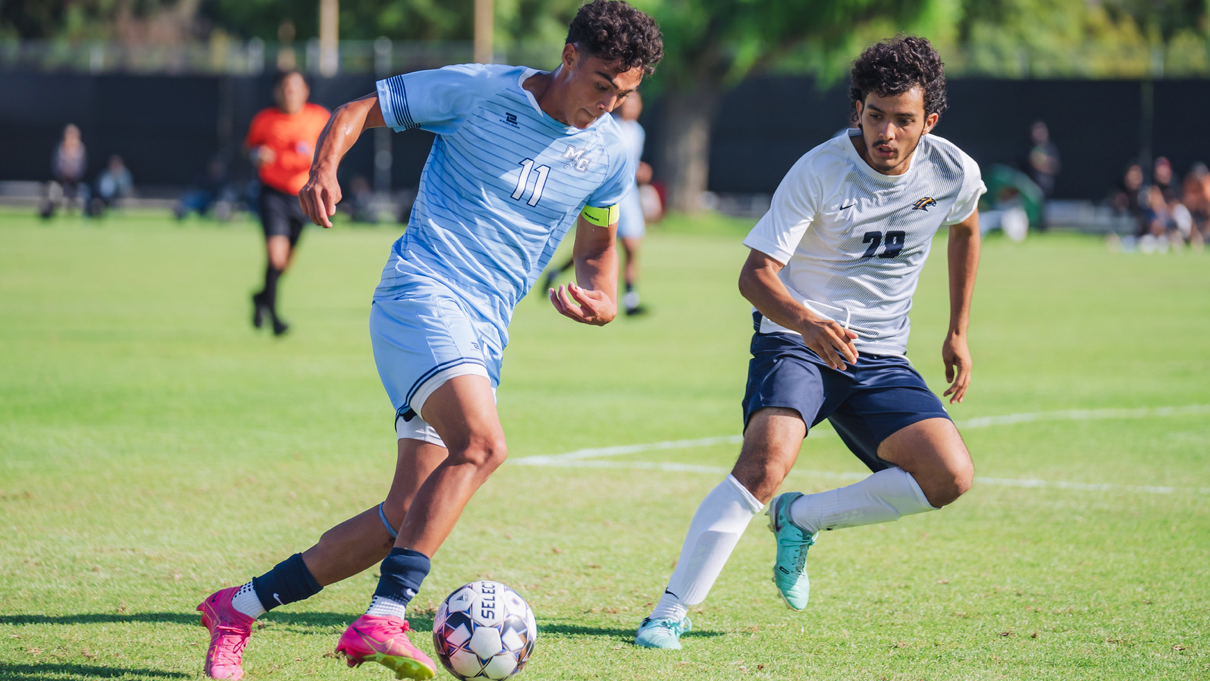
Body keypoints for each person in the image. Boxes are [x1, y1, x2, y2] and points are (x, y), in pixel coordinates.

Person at [196, 3, 663, 680]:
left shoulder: (610, 152)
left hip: (485, 329)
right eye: (601, 84)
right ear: (568, 56)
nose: (609, 103)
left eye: (625, 92)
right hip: (422, 293)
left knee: (403, 513)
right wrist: (323, 169)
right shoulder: (480, 90)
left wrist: (601, 296)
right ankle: (384, 617)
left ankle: (238, 606)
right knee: (484, 444)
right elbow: (358, 109)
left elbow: (596, 248)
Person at [633, 35, 985, 650]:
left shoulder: (953, 170)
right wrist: (808, 323)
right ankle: (669, 611)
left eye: (904, 120)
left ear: (928, 121)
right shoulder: (820, 170)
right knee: (766, 460)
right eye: (875, 115)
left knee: (949, 475)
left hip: (879, 355)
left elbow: (967, 226)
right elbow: (755, 275)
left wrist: (956, 329)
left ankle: (801, 518)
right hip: (796, 341)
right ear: (858, 110)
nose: (888, 132)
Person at [543, 91, 652, 315]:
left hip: (630, 197)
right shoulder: (612, 128)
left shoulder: (638, 131)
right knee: (596, 249)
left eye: (637, 103)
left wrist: (640, 169)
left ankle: (630, 299)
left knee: (632, 247)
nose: (633, 108)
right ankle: (559, 273)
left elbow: (630, 163)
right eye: (629, 103)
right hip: (609, 197)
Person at [245, 70, 330, 336]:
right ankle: (275, 317)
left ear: (305, 91)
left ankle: (261, 298)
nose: (289, 92)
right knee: (275, 256)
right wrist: (258, 155)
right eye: (284, 87)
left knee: (285, 263)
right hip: (272, 194)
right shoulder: (265, 119)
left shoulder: (319, 117)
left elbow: (334, 147)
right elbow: (250, 148)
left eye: (295, 87)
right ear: (276, 91)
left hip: (302, 196)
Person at [40, 123, 88, 219]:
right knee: (52, 190)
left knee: (84, 192)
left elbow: (81, 167)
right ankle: (48, 213)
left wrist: (73, 176)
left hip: (76, 182)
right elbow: (57, 166)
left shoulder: (80, 149)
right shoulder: (61, 148)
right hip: (61, 181)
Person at [1021, 121, 1059, 230]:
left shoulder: (1050, 148)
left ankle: (1043, 227)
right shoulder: (1030, 148)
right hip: (1032, 185)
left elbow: (1055, 166)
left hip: (1045, 184)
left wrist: (1044, 162)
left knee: (1043, 208)